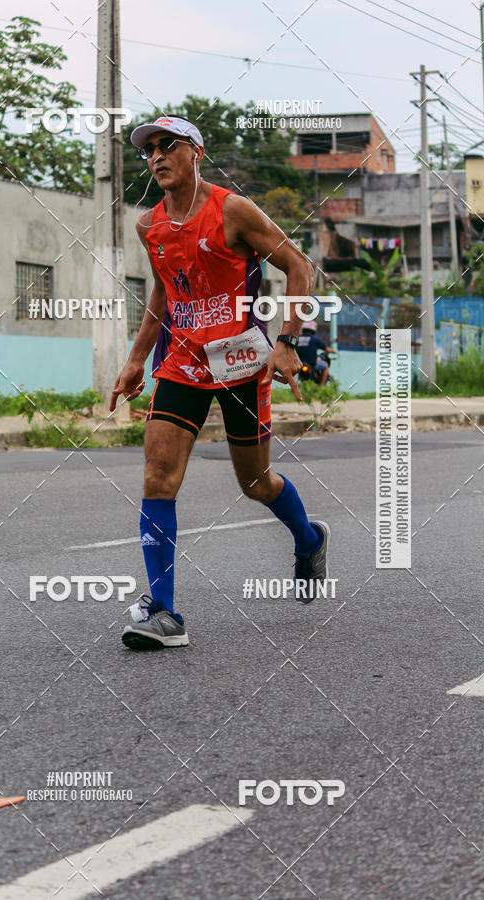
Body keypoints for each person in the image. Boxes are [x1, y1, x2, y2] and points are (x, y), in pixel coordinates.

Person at [109, 114, 331, 651]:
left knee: (255, 484)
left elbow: (298, 268)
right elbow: (164, 294)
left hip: (239, 364)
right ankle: (164, 611)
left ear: (196, 152)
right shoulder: (150, 226)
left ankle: (308, 539)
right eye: (149, 150)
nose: (157, 156)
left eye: (169, 145)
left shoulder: (230, 209)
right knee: (158, 476)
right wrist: (137, 358)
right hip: (182, 364)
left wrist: (288, 342)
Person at [296, 320, 334, 385]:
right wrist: (334, 351)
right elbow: (327, 349)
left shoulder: (298, 339)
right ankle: (322, 387)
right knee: (325, 366)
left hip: (299, 364)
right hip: (312, 364)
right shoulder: (314, 339)